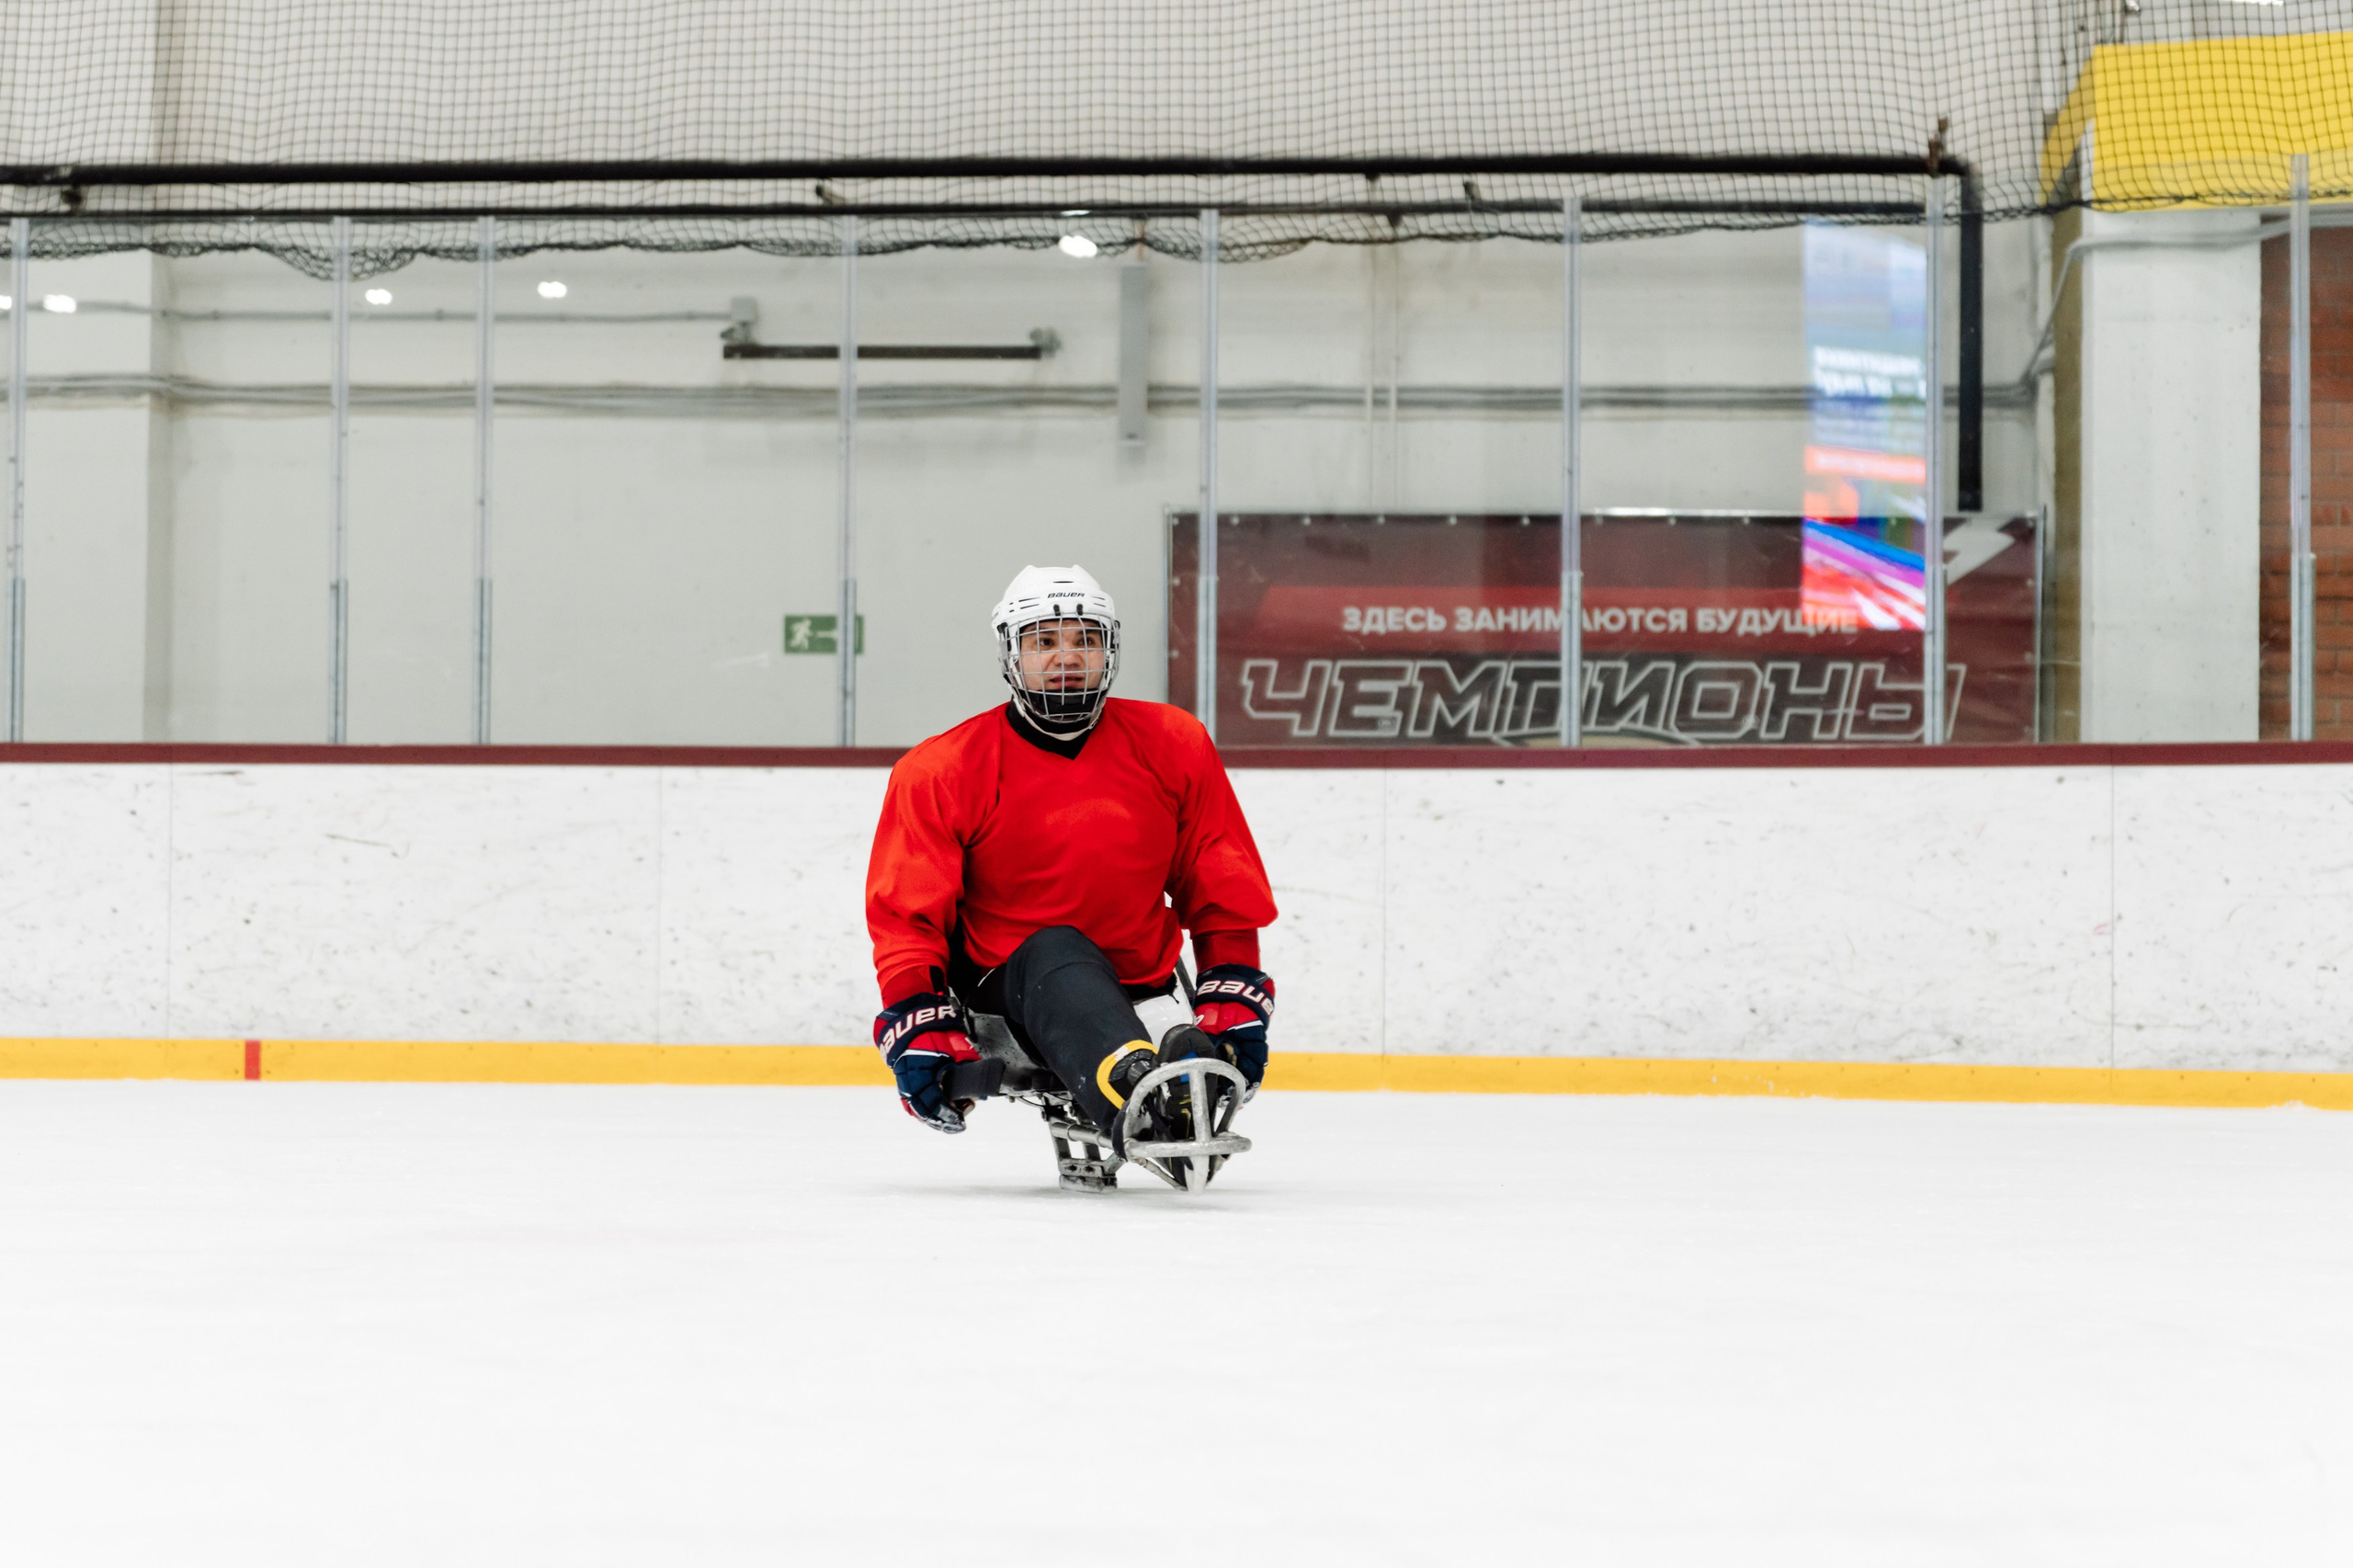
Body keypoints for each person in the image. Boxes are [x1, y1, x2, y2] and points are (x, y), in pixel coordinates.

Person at [864, 563, 1278, 1160]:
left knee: (1176, 1030)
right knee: (1059, 947)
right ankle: (1138, 1085)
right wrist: (918, 1023)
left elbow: (1219, 876)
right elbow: (906, 917)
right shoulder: (940, 769)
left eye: (1086, 639)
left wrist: (1230, 994)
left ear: (1110, 650)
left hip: (1143, 982)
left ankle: (1176, 1069)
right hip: (1014, 994)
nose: (1067, 657)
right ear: (1011, 654)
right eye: (1044, 641)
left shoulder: (1173, 742)